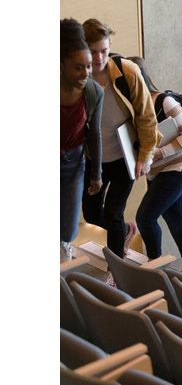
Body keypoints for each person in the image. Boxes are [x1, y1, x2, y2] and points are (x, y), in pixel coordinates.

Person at [82, 18, 160, 286]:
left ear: (110, 46)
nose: (99, 57)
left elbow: (147, 117)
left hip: (125, 157)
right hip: (94, 161)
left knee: (114, 212)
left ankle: (115, 270)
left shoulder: (127, 71)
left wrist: (145, 156)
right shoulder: (78, 77)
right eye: (92, 51)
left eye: (103, 50)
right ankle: (125, 231)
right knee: (92, 214)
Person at [129, 57, 182, 276]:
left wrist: (156, 153)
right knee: (174, 217)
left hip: (178, 167)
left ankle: (155, 269)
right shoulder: (131, 106)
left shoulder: (163, 102)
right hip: (156, 171)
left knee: (145, 217)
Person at [60, 18, 104, 259]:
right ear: (61, 66)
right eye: (79, 67)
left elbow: (94, 134)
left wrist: (96, 174)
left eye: (89, 67)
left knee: (67, 230)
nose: (87, 73)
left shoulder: (93, 92)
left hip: (73, 165)